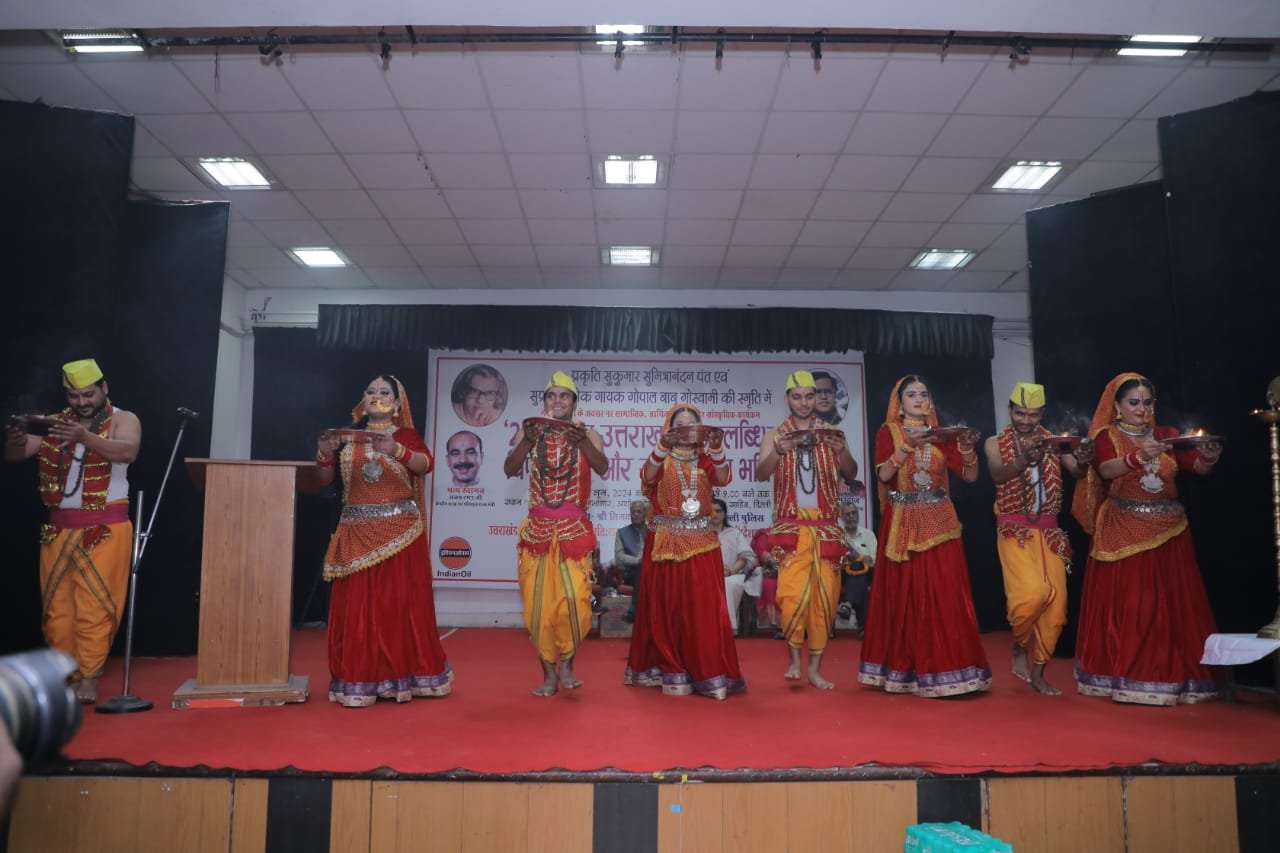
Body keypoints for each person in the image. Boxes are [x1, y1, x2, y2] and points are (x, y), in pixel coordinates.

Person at [1070, 373, 1223, 706]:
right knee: (1138, 606)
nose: (1142, 409)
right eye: (1134, 402)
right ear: (1117, 406)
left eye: (1147, 402)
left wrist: (1208, 457)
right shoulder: (1107, 436)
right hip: (1125, 528)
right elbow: (1105, 470)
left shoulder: (1166, 435)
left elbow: (1194, 466)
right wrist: (1139, 456)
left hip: (1169, 531)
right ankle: (1133, 676)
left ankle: (1175, 677)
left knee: (1174, 609)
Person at [4, 359, 141, 704]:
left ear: (104, 388)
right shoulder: (54, 423)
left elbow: (127, 451)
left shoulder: (123, 419)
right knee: (57, 613)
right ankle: (67, 676)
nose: (82, 402)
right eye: (74, 396)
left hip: (104, 529)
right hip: (58, 531)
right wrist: (16, 440)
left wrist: (85, 437)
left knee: (94, 608)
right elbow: (17, 455)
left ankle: (90, 678)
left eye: (88, 394)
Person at [314, 374, 452, 707]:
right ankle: (360, 679)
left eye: (385, 392)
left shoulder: (405, 436)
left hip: (399, 534)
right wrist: (323, 452)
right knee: (357, 610)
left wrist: (396, 449)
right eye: (371, 391)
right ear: (362, 400)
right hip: (355, 531)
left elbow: (426, 464)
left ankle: (403, 677)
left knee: (395, 608)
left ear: (398, 403)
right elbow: (324, 479)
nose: (377, 395)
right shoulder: (347, 437)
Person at [858, 374, 992, 698]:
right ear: (900, 403)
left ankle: (948, 669)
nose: (919, 399)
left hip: (940, 520)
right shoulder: (889, 431)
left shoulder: (942, 434)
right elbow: (884, 475)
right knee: (906, 594)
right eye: (911, 394)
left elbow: (970, 476)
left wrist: (967, 448)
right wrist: (908, 445)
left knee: (944, 593)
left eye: (923, 394)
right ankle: (905, 671)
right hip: (903, 520)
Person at [624, 404, 744, 699]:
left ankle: (705, 671)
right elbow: (648, 476)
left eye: (693, 425)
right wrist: (661, 447)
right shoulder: (661, 458)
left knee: (703, 609)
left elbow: (723, 478)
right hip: (665, 541)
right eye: (681, 425)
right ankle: (671, 669)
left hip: (702, 543)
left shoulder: (705, 460)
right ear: (670, 428)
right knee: (668, 608)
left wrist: (717, 449)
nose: (687, 430)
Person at [982, 382, 1093, 695]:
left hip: (1050, 532)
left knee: (1057, 609)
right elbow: (997, 475)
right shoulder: (994, 442)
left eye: (1032, 415)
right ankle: (1020, 644)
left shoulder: (1055, 442)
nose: (1026, 420)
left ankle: (1039, 671)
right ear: (1010, 410)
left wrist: (1084, 459)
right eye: (1020, 413)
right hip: (1013, 530)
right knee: (1031, 596)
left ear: (1042, 413)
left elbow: (1077, 472)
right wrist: (1024, 459)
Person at [503, 371, 609, 696]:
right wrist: (527, 440)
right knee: (539, 610)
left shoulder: (589, 434)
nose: (558, 400)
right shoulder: (530, 433)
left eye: (565, 396)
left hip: (574, 533)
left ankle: (568, 663)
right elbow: (509, 468)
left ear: (575, 403)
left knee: (575, 603)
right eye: (552, 395)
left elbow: (602, 466)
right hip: (537, 534)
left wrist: (581, 442)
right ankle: (549, 674)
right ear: (545, 401)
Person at [756, 371, 858, 689]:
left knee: (824, 602)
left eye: (809, 396)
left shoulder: (832, 434)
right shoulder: (774, 435)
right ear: (787, 399)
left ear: (816, 398)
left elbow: (851, 471)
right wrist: (778, 450)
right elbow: (761, 473)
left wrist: (842, 450)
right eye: (797, 396)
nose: (803, 402)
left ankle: (814, 669)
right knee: (791, 598)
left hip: (825, 529)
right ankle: (794, 661)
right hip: (792, 529)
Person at [711, 498, 760, 632]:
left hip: (731, 574)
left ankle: (728, 627)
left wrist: (729, 571)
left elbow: (745, 557)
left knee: (728, 584)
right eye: (711, 511)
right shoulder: (701, 534)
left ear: (724, 514)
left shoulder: (734, 533)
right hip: (707, 574)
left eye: (718, 511)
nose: (715, 514)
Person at [836, 501, 877, 636]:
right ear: (842, 517)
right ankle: (863, 627)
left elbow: (876, 559)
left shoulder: (868, 534)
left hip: (867, 572)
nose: (851, 517)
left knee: (858, 568)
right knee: (857, 573)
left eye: (854, 513)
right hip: (843, 574)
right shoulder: (839, 537)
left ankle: (848, 603)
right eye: (848, 514)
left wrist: (868, 558)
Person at [614, 499, 648, 622]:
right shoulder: (622, 532)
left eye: (639, 512)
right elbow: (619, 556)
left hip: (650, 572)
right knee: (640, 569)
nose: (635, 514)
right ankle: (633, 610)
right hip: (629, 573)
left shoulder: (652, 532)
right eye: (633, 512)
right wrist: (637, 561)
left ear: (645, 514)